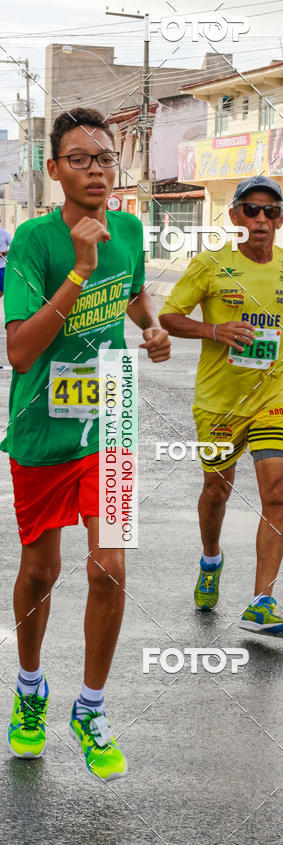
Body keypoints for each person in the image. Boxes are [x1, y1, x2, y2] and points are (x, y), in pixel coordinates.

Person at [2, 107, 170, 779]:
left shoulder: (128, 228)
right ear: (54, 169)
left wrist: (152, 326)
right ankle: (30, 688)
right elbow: (19, 351)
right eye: (80, 159)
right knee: (41, 571)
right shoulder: (33, 241)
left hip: (113, 418)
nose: (96, 170)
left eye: (105, 158)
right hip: (42, 427)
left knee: (111, 566)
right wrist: (78, 269)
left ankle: (91, 707)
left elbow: (131, 294)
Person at [159, 175, 283, 637]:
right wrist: (214, 330)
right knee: (217, 490)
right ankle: (211, 560)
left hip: (274, 398)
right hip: (219, 403)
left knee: (277, 492)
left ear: (281, 219)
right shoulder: (211, 264)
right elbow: (169, 316)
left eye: (271, 211)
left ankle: (261, 602)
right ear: (234, 216)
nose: (261, 219)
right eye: (251, 209)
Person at [0, 224, 11, 296]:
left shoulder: (5, 233)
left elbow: (14, 248)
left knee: (1, 290)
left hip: (2, 267)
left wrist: (3, 253)